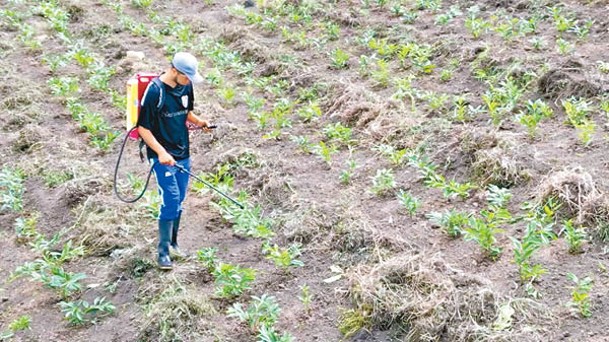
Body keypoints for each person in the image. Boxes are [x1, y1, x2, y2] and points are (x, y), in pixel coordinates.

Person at [137, 52, 211, 270]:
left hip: (182, 152)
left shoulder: (186, 86)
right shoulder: (155, 92)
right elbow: (144, 128)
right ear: (174, 71)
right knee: (170, 200)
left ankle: (174, 244)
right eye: (186, 77)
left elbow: (186, 112)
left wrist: (200, 122)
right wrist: (161, 153)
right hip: (163, 156)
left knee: (179, 200)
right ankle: (162, 253)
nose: (188, 82)